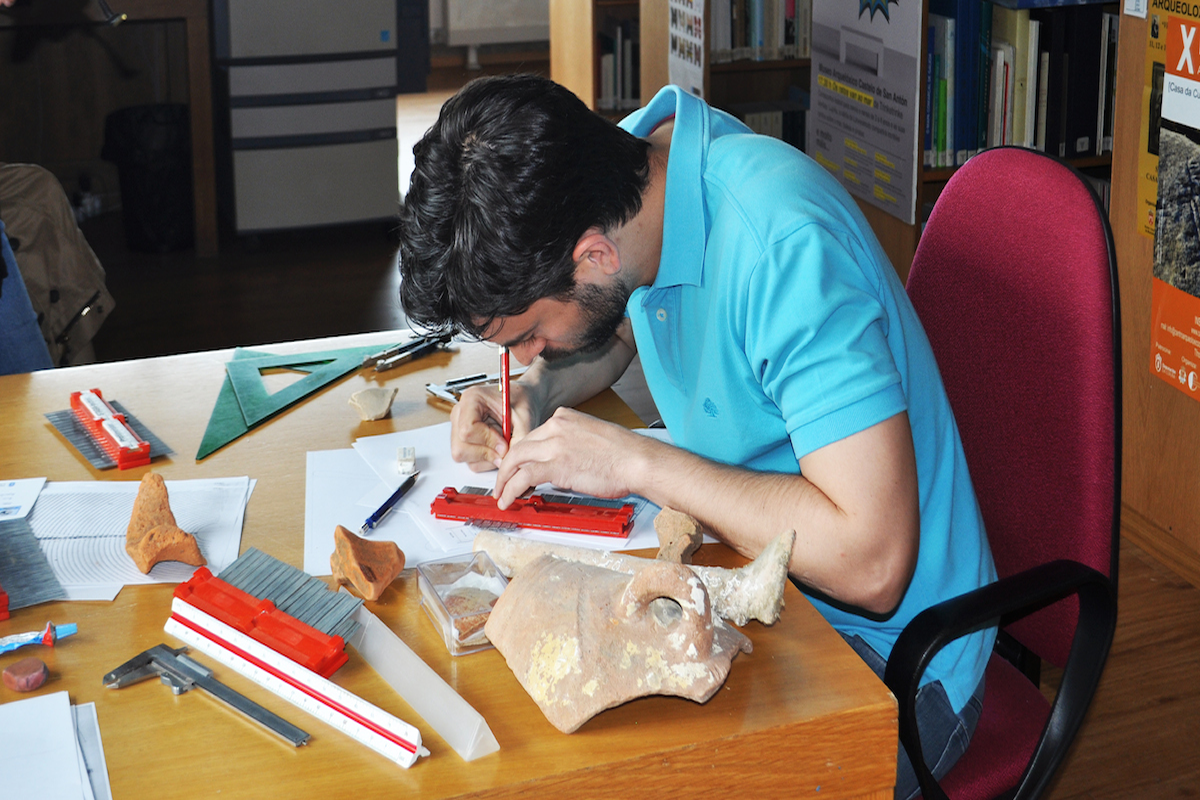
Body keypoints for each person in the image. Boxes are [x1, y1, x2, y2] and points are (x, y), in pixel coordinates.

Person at [398, 73, 996, 799]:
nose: (525, 353)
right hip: (754, 586)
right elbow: (629, 319)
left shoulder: (783, 249)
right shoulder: (638, 172)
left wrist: (638, 461)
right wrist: (540, 390)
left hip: (889, 655)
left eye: (526, 336)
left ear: (593, 257)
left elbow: (872, 566)